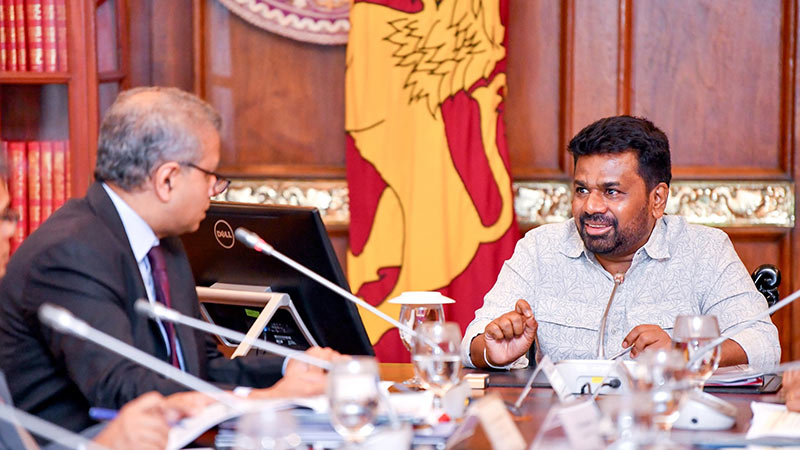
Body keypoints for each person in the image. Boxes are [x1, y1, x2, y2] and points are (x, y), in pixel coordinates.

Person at [0, 87, 336, 434]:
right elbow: (122, 390)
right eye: (210, 175)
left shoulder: (164, 244)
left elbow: (199, 368)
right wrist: (259, 400)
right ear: (167, 179)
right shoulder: (69, 253)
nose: (215, 189)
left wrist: (290, 367)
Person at [461, 115, 780, 371]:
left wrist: (686, 353)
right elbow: (473, 340)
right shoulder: (540, 249)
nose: (590, 207)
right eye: (582, 190)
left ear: (657, 199)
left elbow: (764, 345)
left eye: (611, 192)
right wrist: (491, 351)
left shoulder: (704, 251)